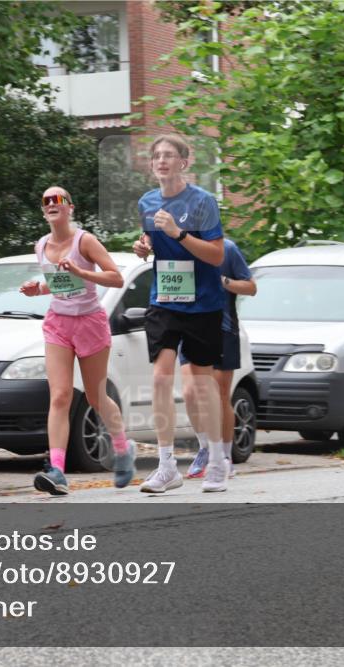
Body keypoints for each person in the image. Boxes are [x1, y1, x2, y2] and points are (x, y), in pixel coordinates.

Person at [20, 186, 135, 494]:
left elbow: (116, 278)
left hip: (90, 323)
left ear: (70, 207)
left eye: (59, 199)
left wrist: (84, 273)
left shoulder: (85, 241)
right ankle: (57, 470)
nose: (52, 203)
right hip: (58, 324)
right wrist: (38, 289)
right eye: (46, 201)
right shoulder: (41, 245)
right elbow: (60, 282)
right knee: (60, 396)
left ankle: (123, 449)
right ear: (43, 211)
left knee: (96, 397)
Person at [132, 133, 228, 493]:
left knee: (202, 385)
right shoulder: (147, 202)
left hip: (203, 302)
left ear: (183, 162)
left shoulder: (203, 202)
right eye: (156, 155)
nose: (161, 160)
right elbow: (153, 241)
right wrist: (144, 247)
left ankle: (217, 460)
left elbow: (216, 256)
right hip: (165, 299)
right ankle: (167, 465)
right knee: (160, 378)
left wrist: (179, 234)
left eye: (169, 155)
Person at [182, 239, 256, 478]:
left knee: (219, 394)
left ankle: (224, 455)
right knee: (190, 392)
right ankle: (205, 448)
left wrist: (223, 281)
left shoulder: (228, 249)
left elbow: (251, 287)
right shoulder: (180, 245)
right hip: (190, 327)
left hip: (223, 330)